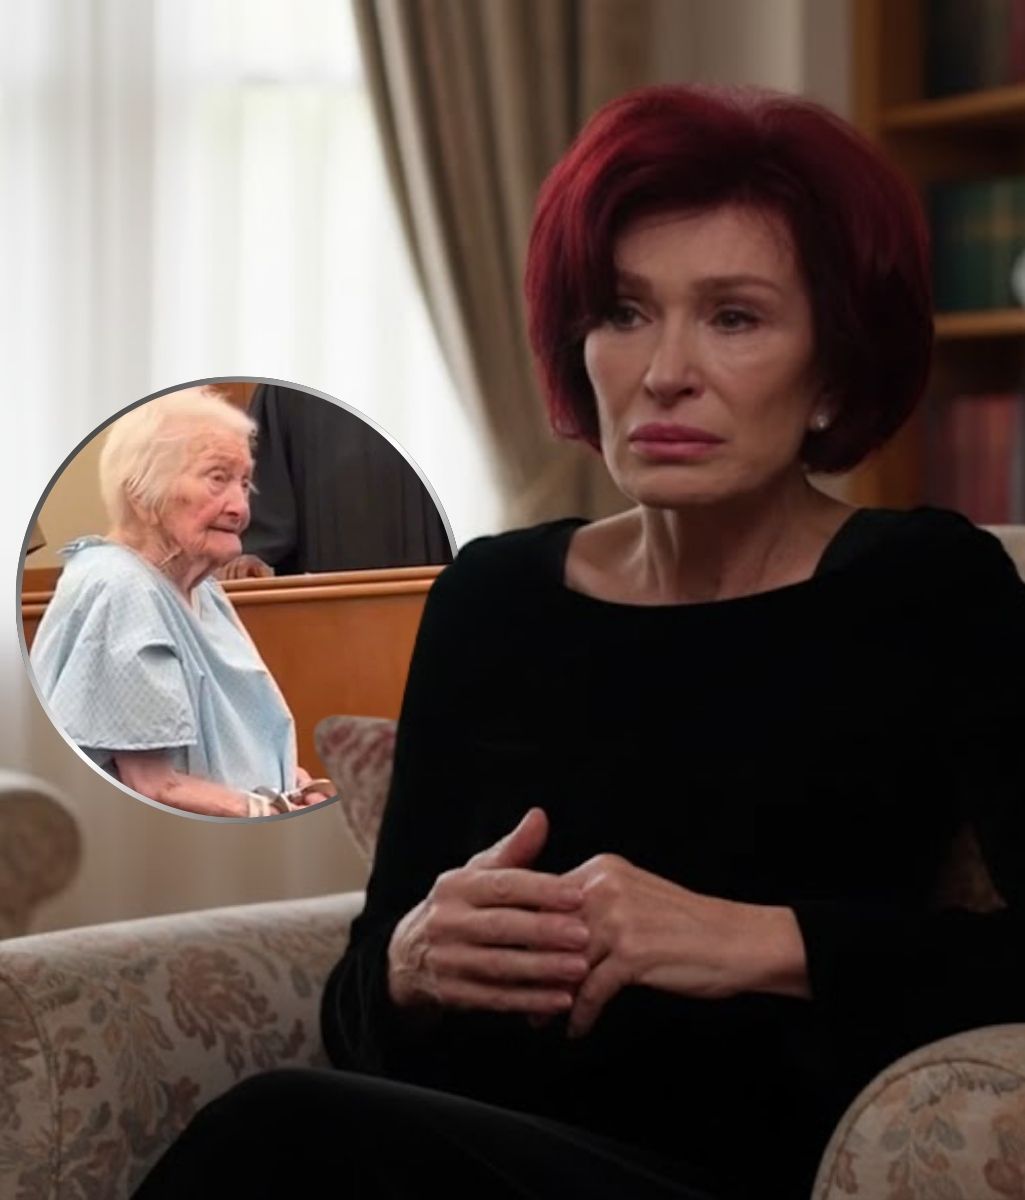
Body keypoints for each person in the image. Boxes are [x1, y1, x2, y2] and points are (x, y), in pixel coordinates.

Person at [134, 85, 1025, 1197]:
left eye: (733, 318)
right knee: (292, 1126)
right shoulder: (492, 595)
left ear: (832, 373)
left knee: (276, 1127)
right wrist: (408, 964)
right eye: (622, 313)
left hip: (726, 1172)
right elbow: (360, 1018)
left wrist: (755, 941)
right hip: (457, 1155)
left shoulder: (927, 586)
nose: (663, 372)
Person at [31, 388, 334, 819]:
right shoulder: (121, 588)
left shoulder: (198, 584)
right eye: (217, 478)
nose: (241, 508)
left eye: (244, 482)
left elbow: (240, 748)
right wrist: (272, 810)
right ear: (142, 494)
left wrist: (298, 786)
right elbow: (155, 785)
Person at [219, 384, 452, 579]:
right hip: (324, 590)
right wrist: (252, 554)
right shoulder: (287, 387)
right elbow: (265, 494)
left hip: (430, 582)